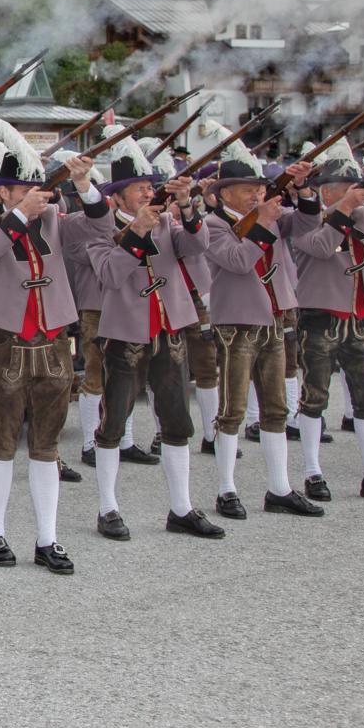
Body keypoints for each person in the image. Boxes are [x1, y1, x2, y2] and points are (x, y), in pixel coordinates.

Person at [0, 115, 91, 576]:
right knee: (1, 441)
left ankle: (47, 538)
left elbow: (96, 230)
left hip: (52, 340)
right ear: (1, 192)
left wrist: (85, 186)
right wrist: (19, 216)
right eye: (23, 188)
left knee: (46, 444)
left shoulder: (52, 218)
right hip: (6, 340)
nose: (35, 194)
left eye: (37, 187)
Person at [75, 129, 223, 542]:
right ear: (118, 197)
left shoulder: (168, 222)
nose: (146, 192)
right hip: (125, 334)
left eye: (148, 186)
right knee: (113, 424)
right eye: (138, 188)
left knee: (176, 421)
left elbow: (197, 245)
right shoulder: (99, 230)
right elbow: (110, 274)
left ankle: (182, 507)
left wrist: (188, 204)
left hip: (169, 328)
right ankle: (108, 508)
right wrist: (138, 231)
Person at [283, 140, 364, 504]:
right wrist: (344, 207)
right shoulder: (307, 218)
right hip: (320, 316)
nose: (358, 191)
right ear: (328, 191)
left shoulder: (361, 217)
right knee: (315, 397)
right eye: (349, 186)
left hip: (360, 314)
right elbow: (322, 246)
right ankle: (313, 472)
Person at [203, 144, 320, 517]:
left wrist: (303, 190)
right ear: (225, 194)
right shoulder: (214, 224)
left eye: (258, 187)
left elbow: (308, 225)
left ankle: (279, 488)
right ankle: (226, 489)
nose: (256, 193)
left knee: (276, 408)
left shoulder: (269, 215)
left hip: (274, 317)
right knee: (232, 409)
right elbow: (239, 260)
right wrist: (265, 221)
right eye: (247, 188)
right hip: (237, 323)